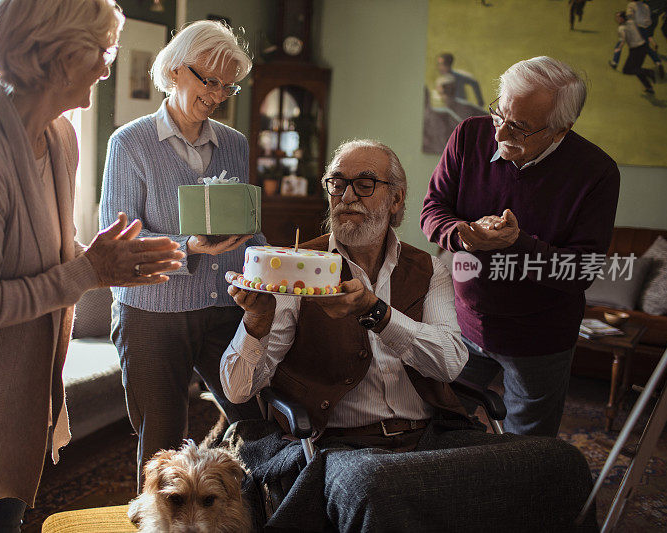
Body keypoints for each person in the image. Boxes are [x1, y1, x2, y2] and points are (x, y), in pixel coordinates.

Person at [0, 0, 186, 530]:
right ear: (55, 56)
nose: (107, 66)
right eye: (101, 49)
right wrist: (91, 270)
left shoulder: (59, 136)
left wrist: (111, 261)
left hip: (23, 387)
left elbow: (50, 250)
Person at [221, 140, 596, 532]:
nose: (347, 195)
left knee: (561, 462)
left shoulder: (428, 269)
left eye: (365, 184)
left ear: (396, 200)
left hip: (431, 438)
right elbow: (237, 390)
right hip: (341, 448)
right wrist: (256, 326)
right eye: (337, 183)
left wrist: (378, 314)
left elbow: (451, 362)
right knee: (373, 485)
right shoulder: (297, 267)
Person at [100, 20, 264, 488]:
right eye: (207, 80)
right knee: (162, 447)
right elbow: (118, 246)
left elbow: (247, 226)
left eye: (227, 84)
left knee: (252, 420)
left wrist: (276, 264)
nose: (217, 94)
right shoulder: (129, 144)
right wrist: (187, 246)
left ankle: (240, 510)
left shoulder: (234, 144)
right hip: (153, 314)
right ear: (175, 70)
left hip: (223, 308)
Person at [421, 56, 620, 437]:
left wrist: (518, 244)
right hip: (463, 322)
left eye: (520, 127)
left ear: (562, 129)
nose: (499, 134)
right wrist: (462, 233)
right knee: (438, 428)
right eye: (499, 115)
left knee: (524, 453)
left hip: (540, 339)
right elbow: (433, 209)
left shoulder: (597, 173)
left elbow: (581, 270)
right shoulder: (468, 134)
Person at [613, 11, 657, 94]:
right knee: (637, 69)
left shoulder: (621, 28)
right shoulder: (631, 22)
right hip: (643, 47)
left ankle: (649, 72)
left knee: (627, 70)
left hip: (636, 50)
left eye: (618, 17)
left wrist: (618, 49)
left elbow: (622, 40)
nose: (616, 19)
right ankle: (649, 87)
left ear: (622, 18)